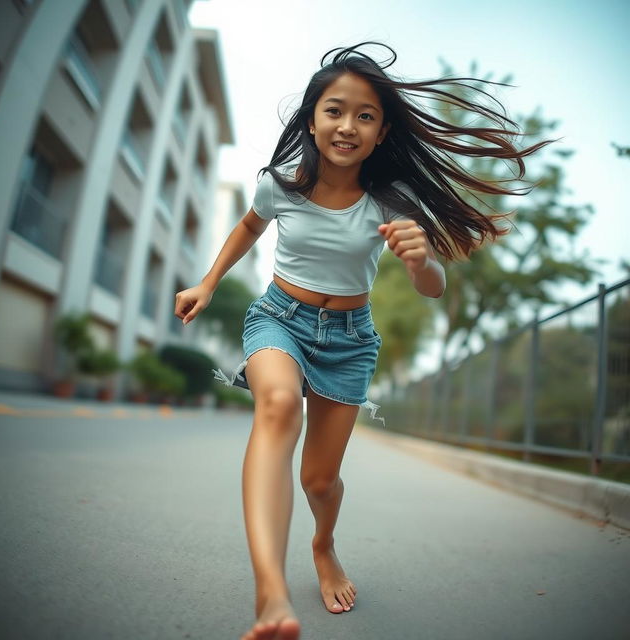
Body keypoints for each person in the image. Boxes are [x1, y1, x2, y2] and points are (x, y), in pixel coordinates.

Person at [174, 42, 555, 640]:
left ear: (380, 133)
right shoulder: (281, 185)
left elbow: (432, 287)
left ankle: (323, 545)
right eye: (334, 110)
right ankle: (271, 594)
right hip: (278, 317)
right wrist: (207, 281)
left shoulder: (391, 198)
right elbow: (250, 225)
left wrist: (422, 259)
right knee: (276, 408)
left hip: (349, 341)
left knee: (318, 481)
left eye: (365, 115)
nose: (347, 125)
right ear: (311, 118)